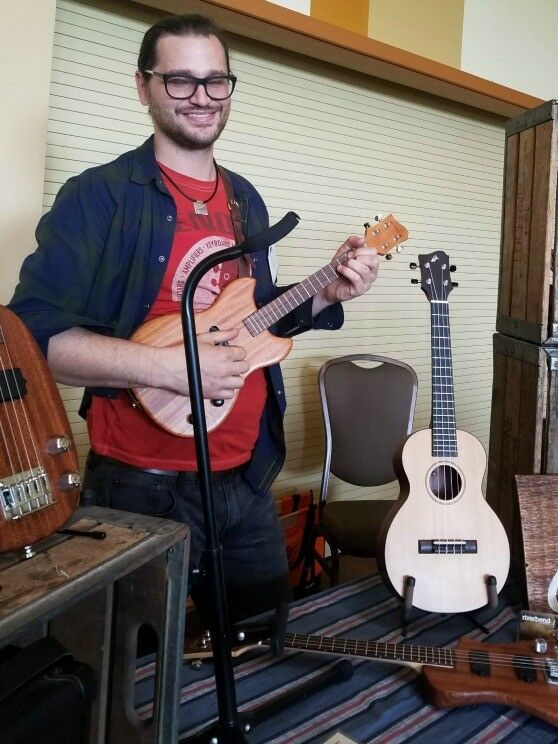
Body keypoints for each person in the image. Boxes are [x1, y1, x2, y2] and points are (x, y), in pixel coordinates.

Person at [9, 14, 379, 625]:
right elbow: (32, 339)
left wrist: (327, 293)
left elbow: (251, 325)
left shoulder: (245, 200)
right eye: (179, 80)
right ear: (143, 86)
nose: (201, 97)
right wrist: (170, 368)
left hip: (246, 479)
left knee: (261, 645)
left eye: (215, 81)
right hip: (138, 486)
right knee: (138, 672)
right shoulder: (99, 197)